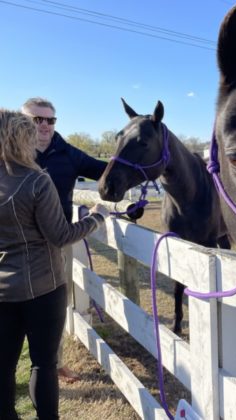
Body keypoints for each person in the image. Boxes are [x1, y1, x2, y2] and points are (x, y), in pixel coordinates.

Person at [0, 109, 109, 420]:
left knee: (4, 366)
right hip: (42, 286)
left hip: (2, 291)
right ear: (22, 140)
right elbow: (61, 235)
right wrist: (97, 218)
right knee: (43, 363)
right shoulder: (37, 181)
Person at [22, 97, 108, 383]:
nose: (45, 125)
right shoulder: (12, 152)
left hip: (56, 241)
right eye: (38, 119)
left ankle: (54, 363)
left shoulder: (68, 153)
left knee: (55, 304)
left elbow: (105, 171)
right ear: (24, 121)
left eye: (50, 120)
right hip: (14, 241)